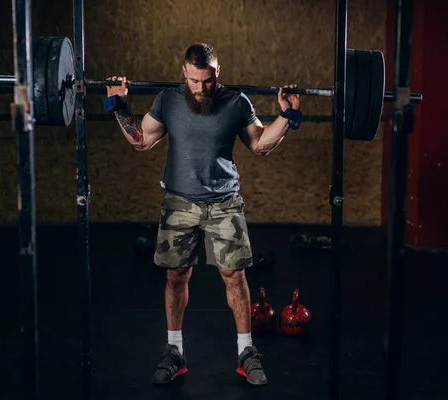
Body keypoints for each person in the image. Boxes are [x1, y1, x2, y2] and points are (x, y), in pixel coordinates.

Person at [106, 43, 301, 386]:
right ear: (184, 73)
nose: (200, 88)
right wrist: (119, 105)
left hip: (225, 202)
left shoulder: (237, 103)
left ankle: (246, 352)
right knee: (175, 276)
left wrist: (286, 116)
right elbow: (141, 140)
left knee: (234, 277)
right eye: (194, 81)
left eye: (207, 81)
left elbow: (259, 145)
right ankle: (174, 351)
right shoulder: (167, 100)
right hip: (179, 201)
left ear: (217, 72)